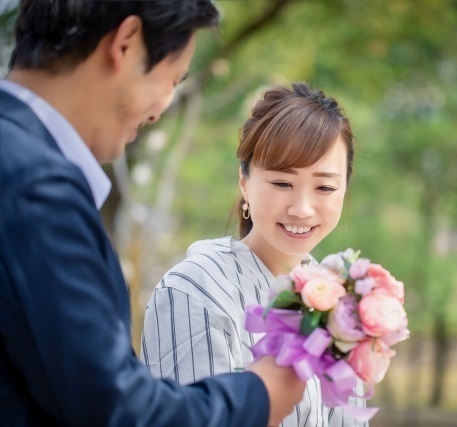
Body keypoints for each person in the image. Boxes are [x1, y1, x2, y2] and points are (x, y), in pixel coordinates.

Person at [0, 1, 306, 426]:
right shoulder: (35, 186)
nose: (161, 108)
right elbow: (116, 410)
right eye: (172, 79)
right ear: (125, 44)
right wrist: (260, 394)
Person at [141, 82, 368, 426]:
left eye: (324, 187)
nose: (303, 209)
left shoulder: (339, 301)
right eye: (281, 183)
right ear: (244, 182)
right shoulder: (196, 290)